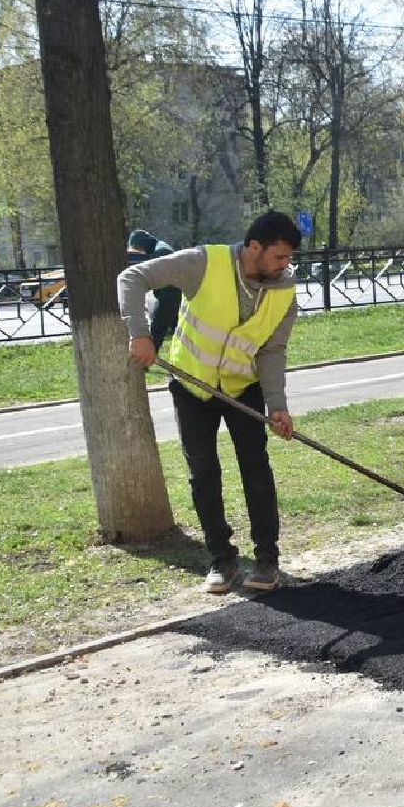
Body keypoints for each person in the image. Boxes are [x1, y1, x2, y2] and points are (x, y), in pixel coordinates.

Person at [119, 211, 302, 593]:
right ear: (254, 247)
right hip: (193, 386)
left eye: (288, 258)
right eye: (279, 256)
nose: (286, 265)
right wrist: (140, 334)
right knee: (203, 472)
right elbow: (132, 277)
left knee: (256, 469)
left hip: (242, 387)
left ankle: (267, 560)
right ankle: (222, 560)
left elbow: (273, 350)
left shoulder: (284, 289)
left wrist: (277, 405)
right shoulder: (204, 263)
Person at [125, 228, 181, 352]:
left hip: (169, 297)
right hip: (173, 296)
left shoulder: (160, 252)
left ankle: (147, 358)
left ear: (140, 244)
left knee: (156, 331)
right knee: (180, 334)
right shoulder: (159, 248)